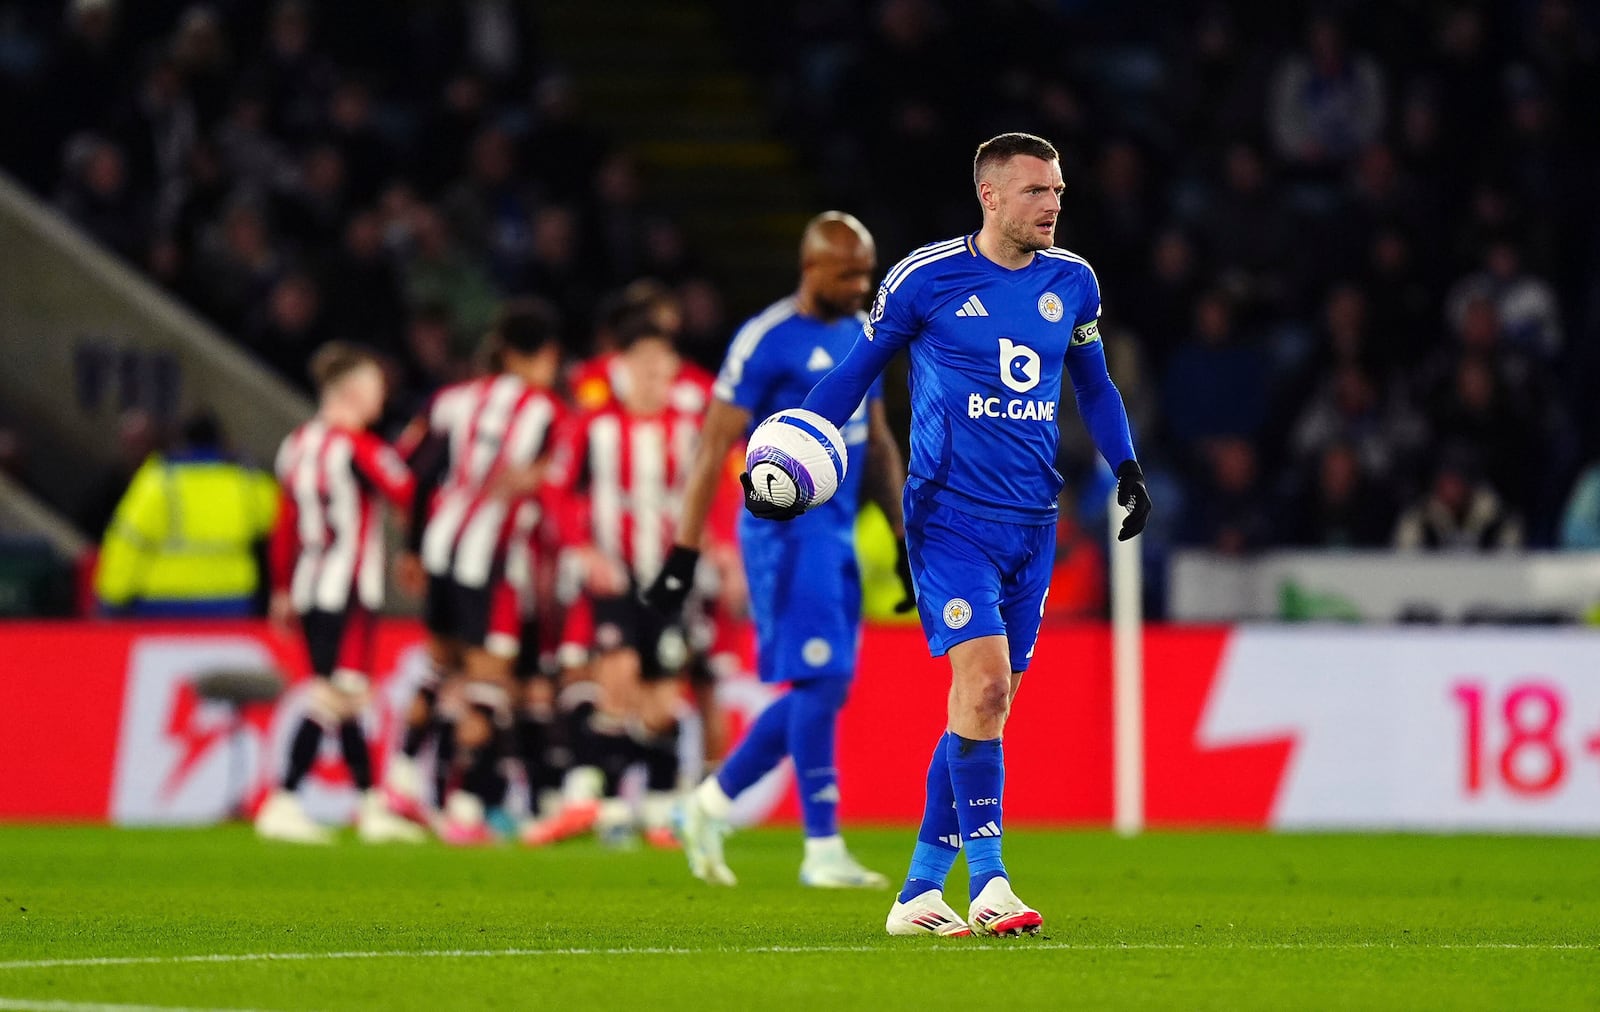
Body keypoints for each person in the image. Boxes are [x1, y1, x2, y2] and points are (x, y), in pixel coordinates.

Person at [750, 134, 1148, 936]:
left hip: (1033, 524)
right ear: (991, 195)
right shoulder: (925, 278)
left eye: (1060, 191)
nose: (1054, 205)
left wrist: (1127, 468)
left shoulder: (1072, 282)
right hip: (948, 518)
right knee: (987, 687)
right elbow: (856, 375)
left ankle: (919, 894)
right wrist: (782, 460)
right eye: (1037, 191)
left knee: (983, 709)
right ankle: (991, 881)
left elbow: (1095, 386)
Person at [647, 211, 911, 888]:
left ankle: (704, 806)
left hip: (841, 529)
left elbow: (877, 442)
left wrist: (906, 535)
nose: (861, 284)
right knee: (820, 682)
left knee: (828, 685)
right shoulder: (765, 341)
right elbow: (712, 449)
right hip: (786, 534)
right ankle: (821, 849)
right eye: (848, 273)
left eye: (866, 271)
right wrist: (683, 554)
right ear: (811, 268)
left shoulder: (863, 334)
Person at [386, 300, 565, 844]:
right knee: (489, 684)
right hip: (493, 560)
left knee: (440, 672)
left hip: (441, 548)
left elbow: (413, 471)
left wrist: (413, 547)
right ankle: (465, 809)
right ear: (546, 355)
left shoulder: (453, 399)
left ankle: (397, 785)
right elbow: (553, 481)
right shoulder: (547, 410)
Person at [534, 320, 714, 848]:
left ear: (674, 375)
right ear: (623, 371)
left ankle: (658, 806)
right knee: (617, 679)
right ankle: (606, 803)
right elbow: (556, 492)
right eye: (644, 369)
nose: (653, 379)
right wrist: (583, 549)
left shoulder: (688, 428)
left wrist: (718, 547)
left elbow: (716, 492)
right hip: (613, 574)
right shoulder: (593, 426)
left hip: (671, 578)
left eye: (663, 370)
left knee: (660, 701)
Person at [255, 344, 424, 845]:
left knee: (350, 697)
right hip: (348, 589)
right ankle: (283, 799)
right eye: (375, 387)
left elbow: (282, 525)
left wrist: (282, 589)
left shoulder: (296, 444)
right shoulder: (358, 446)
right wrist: (414, 443)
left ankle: (371, 806)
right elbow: (407, 490)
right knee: (336, 695)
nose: (382, 396)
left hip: (309, 587)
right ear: (353, 392)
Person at [94, 411, 278, 617]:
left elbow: (129, 541)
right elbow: (284, 524)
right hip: (231, 599)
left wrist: (112, 599)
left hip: (162, 603)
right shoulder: (247, 482)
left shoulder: (158, 481)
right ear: (222, 442)